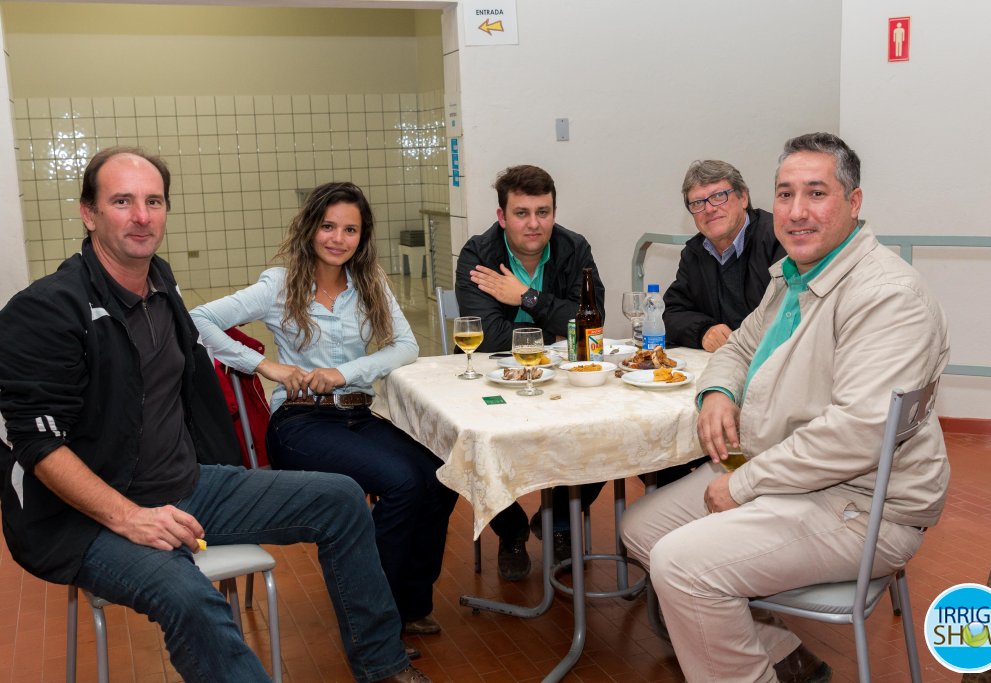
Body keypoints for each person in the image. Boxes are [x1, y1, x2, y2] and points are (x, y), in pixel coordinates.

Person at [0, 148, 429, 683]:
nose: (141, 216)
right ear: (89, 212)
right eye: (122, 201)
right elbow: (38, 444)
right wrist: (129, 517)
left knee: (342, 499)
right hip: (91, 516)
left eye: (153, 201)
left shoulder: (161, 286)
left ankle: (382, 664)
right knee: (194, 600)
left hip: (185, 487)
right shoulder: (45, 309)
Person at [621, 133, 950, 683]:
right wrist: (718, 392)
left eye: (816, 193)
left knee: (681, 565)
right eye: (785, 194)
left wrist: (744, 484)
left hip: (863, 504)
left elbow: (856, 434)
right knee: (641, 528)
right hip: (790, 473)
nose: (796, 212)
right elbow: (739, 347)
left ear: (854, 201)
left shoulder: (888, 296)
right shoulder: (793, 276)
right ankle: (780, 654)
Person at [191, 182, 458, 638]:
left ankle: (410, 602)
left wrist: (345, 372)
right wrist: (266, 366)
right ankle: (378, 618)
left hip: (358, 413)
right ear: (310, 228)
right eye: (328, 226)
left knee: (441, 475)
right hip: (301, 421)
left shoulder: (370, 282)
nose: (338, 238)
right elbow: (198, 319)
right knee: (403, 483)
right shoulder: (279, 284)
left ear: (362, 236)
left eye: (350, 229)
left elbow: (406, 345)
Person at [455, 164, 606, 581]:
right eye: (521, 213)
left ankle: (559, 523)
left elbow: (591, 322)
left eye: (543, 212)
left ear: (554, 212)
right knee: (476, 444)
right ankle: (511, 529)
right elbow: (488, 338)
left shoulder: (574, 248)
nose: (534, 223)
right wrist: (556, 329)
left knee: (600, 429)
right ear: (502, 216)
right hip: (491, 378)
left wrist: (526, 296)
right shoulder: (478, 254)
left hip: (560, 379)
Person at [663, 159, 786, 352]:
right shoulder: (695, 253)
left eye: (719, 196)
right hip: (721, 362)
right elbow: (671, 314)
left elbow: (788, 314)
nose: (709, 209)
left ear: (743, 197)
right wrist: (703, 331)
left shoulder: (780, 239)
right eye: (698, 203)